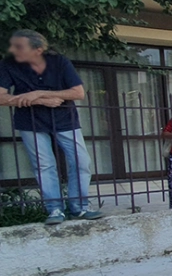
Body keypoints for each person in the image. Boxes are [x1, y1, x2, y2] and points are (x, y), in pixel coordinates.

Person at [0, 30, 103, 225]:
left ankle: (79, 207)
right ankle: (55, 209)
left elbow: (78, 93)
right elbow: (1, 97)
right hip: (30, 121)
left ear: (38, 49)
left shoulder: (59, 62)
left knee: (81, 162)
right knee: (44, 165)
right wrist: (37, 100)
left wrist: (38, 93)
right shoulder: (8, 65)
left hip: (65, 120)